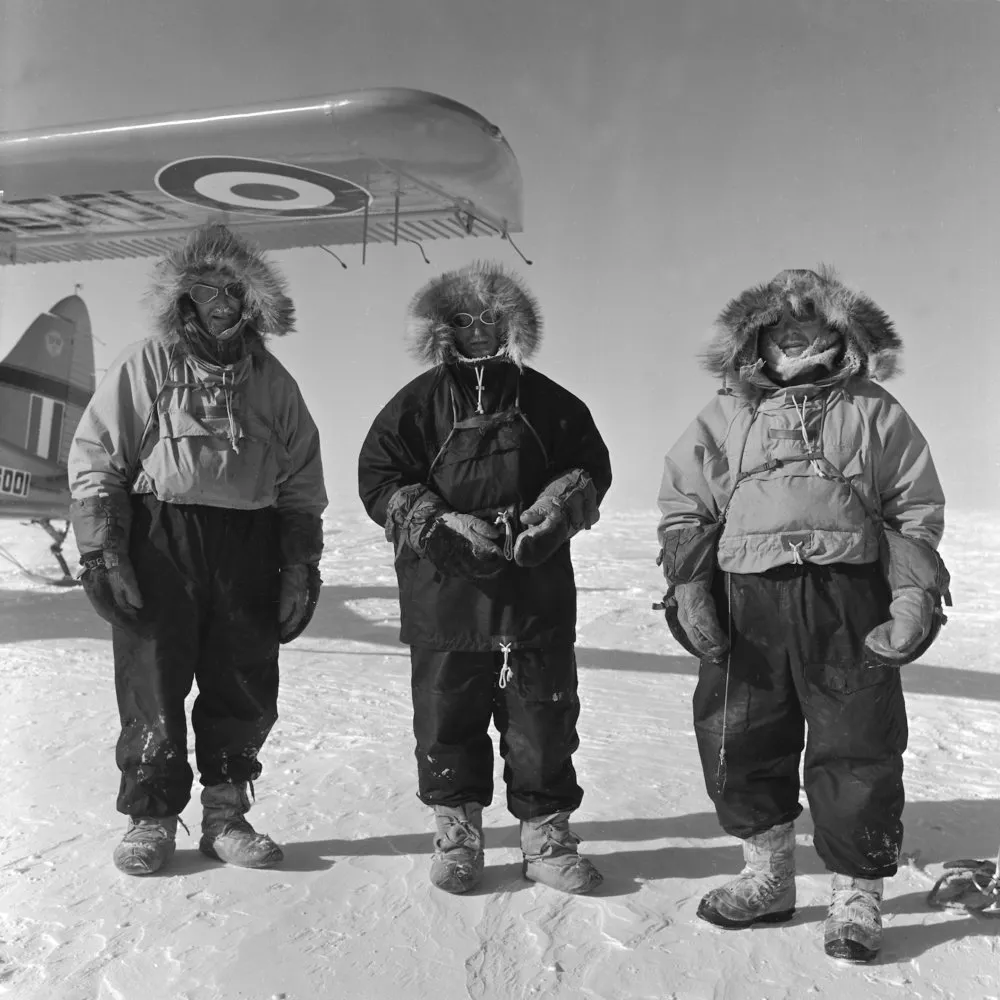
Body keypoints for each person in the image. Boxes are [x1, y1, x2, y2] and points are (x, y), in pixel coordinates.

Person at [655, 267, 948, 962]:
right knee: (740, 737)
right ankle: (768, 874)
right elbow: (687, 505)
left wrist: (912, 591)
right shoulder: (726, 410)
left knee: (857, 743)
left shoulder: (875, 409)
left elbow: (912, 506)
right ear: (754, 338)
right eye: (778, 326)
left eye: (810, 323)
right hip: (746, 598)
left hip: (848, 597)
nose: (793, 334)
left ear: (838, 332)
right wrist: (689, 585)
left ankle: (855, 893)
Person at [69, 223, 327, 876]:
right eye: (205, 289)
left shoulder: (273, 381)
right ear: (184, 297)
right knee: (153, 678)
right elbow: (98, 455)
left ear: (251, 299)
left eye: (232, 290)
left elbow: (300, 480)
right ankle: (151, 819)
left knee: (242, 682)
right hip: (162, 539)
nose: (220, 301)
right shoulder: (147, 362)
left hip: (250, 545)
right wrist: (103, 551)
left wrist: (300, 561)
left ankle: (225, 816)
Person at [358, 260, 612, 895]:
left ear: (512, 325)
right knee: (447, 722)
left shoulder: (549, 401)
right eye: (464, 319)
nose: (478, 330)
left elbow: (589, 467)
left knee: (543, 722)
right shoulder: (415, 403)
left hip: (534, 594)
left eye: (491, 318)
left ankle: (546, 835)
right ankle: (458, 833)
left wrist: (555, 509)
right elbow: (380, 478)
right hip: (445, 595)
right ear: (445, 329)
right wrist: (442, 522)